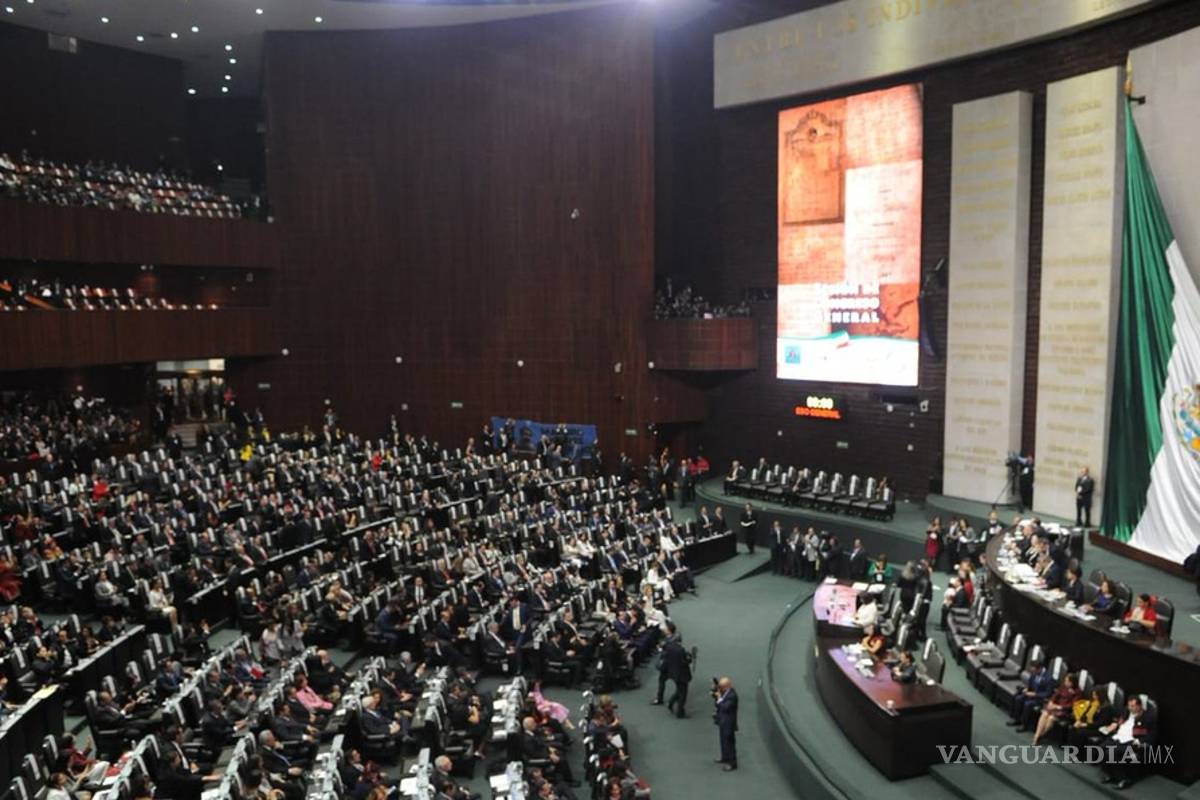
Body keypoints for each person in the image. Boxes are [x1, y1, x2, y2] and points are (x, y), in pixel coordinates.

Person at [1099, 696, 1157, 790]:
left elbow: (1152, 736)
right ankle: (1111, 774)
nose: (1130, 708)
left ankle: (1123, 779)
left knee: (1111, 752)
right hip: (1118, 737)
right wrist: (1115, 724)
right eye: (1129, 705)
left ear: (1139, 706)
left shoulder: (1148, 718)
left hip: (1132, 742)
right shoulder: (1126, 711)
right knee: (1102, 747)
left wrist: (1139, 741)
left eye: (1133, 706)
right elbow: (1118, 720)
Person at [1032, 672, 1080, 745]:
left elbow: (1073, 705)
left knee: (1051, 718)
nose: (1065, 682)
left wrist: (1059, 707)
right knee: (1045, 714)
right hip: (1054, 706)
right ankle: (1037, 735)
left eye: (1067, 681)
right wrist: (1051, 702)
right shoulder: (1063, 687)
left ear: (1072, 683)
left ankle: (1040, 736)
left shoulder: (1077, 692)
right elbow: (1055, 695)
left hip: (1064, 710)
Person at [712, 676, 738, 771]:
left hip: (729, 723)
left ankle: (732, 763)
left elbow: (725, 707)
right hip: (723, 721)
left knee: (729, 743)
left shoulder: (732, 696)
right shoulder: (725, 693)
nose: (720, 689)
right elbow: (718, 704)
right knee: (723, 741)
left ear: (726, 687)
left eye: (721, 687)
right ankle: (724, 757)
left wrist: (719, 699)